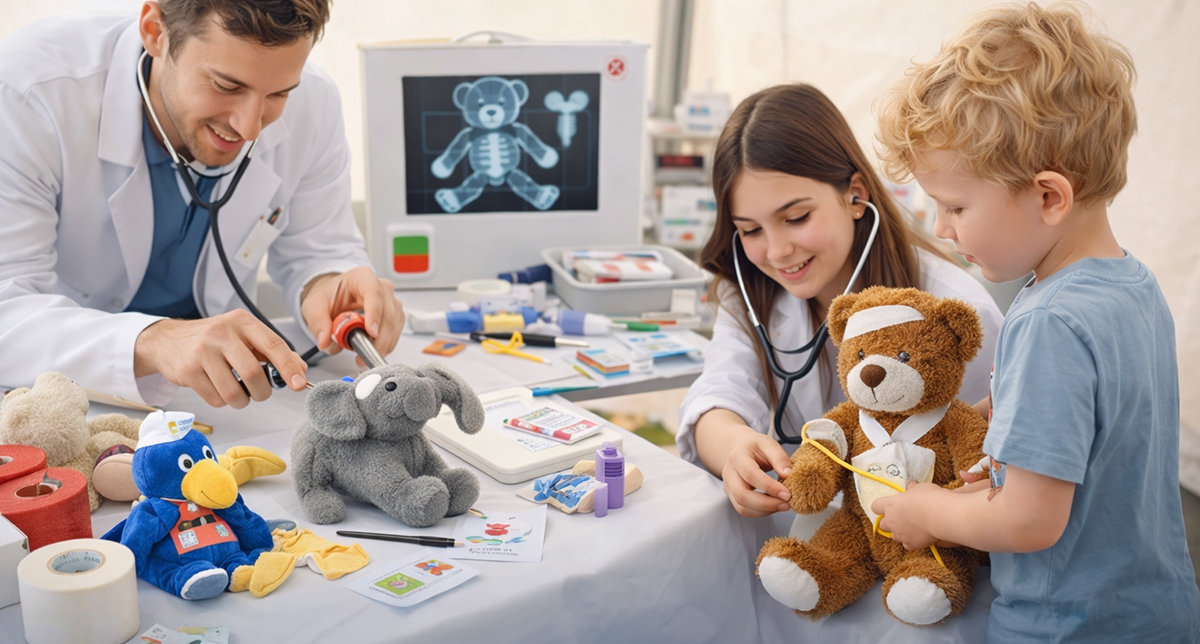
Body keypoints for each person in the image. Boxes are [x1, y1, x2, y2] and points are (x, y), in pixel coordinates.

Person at [870, 3, 1200, 642]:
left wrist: (929, 510)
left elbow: (1029, 524)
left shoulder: (1050, 318)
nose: (941, 228)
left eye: (955, 206)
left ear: (1049, 196)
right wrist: (1009, 426)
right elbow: (1106, 432)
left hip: (1064, 625)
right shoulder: (1135, 285)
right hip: (1154, 611)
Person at [0, 0, 405, 410]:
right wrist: (153, 340)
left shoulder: (314, 100)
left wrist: (328, 286)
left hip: (227, 403)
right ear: (155, 31)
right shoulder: (31, 92)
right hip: (64, 396)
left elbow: (319, 249)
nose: (249, 127)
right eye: (227, 86)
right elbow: (6, 308)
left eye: (279, 94)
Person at [676, 83, 1003, 518]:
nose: (776, 252)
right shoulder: (751, 292)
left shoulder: (955, 307)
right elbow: (718, 396)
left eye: (795, 218)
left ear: (856, 195)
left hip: (932, 552)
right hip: (811, 545)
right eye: (750, 230)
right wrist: (734, 446)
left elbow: (996, 462)